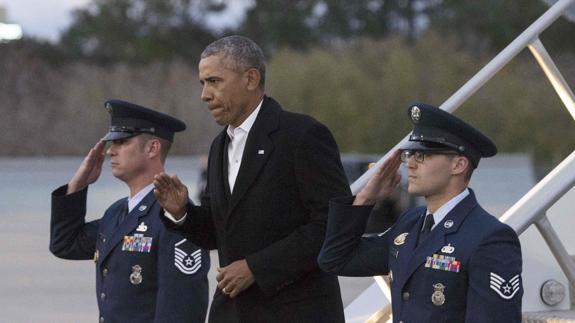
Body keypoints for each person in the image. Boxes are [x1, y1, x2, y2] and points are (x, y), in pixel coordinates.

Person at [153, 35, 351, 323]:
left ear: (250, 78)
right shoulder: (220, 145)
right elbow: (217, 232)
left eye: (214, 81)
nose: (204, 94)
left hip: (297, 312)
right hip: (233, 313)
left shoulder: (301, 135)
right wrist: (182, 212)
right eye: (202, 83)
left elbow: (332, 225)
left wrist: (256, 268)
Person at [318, 103, 523, 323]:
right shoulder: (411, 223)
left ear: (459, 164)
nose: (411, 164)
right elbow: (336, 259)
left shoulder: (489, 238)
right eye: (410, 154)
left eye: (423, 155)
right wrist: (366, 198)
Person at [49, 100, 209, 323]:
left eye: (122, 142)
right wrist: (78, 185)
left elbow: (182, 309)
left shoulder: (177, 217)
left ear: (152, 148)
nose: (111, 151)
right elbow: (65, 244)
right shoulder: (116, 213)